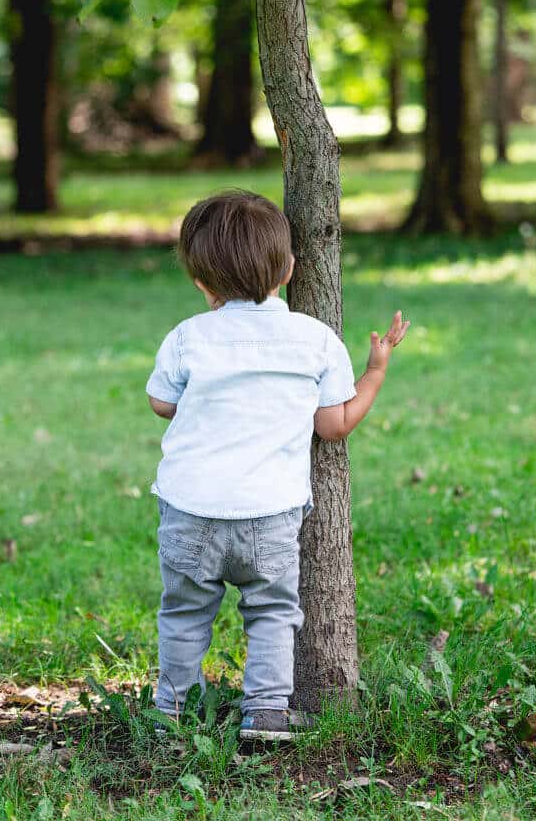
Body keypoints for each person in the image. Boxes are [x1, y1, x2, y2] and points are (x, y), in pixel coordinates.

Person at [146, 190, 409, 741]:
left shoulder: (187, 338)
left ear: (201, 282)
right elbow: (334, 424)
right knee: (270, 612)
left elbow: (162, 403)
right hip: (269, 514)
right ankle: (265, 712)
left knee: (185, 613)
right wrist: (376, 374)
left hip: (190, 509)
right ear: (290, 269)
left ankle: (170, 708)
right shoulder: (315, 341)